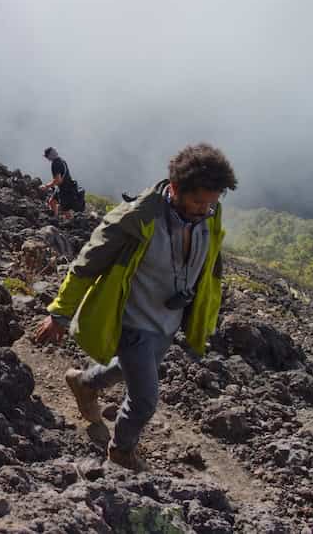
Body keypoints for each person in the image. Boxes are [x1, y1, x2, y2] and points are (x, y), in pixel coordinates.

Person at [33, 143, 237, 472]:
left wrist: (206, 306)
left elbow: (210, 260)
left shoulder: (208, 215)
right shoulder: (137, 219)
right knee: (144, 401)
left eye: (212, 202)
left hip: (169, 321)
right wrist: (59, 313)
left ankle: (84, 383)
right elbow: (87, 263)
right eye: (199, 201)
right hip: (134, 319)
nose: (206, 209)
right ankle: (121, 451)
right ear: (174, 189)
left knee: (126, 367)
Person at [41, 147, 80, 217]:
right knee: (52, 201)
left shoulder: (55, 164)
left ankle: (71, 224)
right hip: (66, 187)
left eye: (47, 156)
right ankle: (55, 219)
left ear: (50, 156)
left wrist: (46, 186)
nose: (47, 158)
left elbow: (58, 180)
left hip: (65, 190)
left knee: (65, 210)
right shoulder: (61, 160)